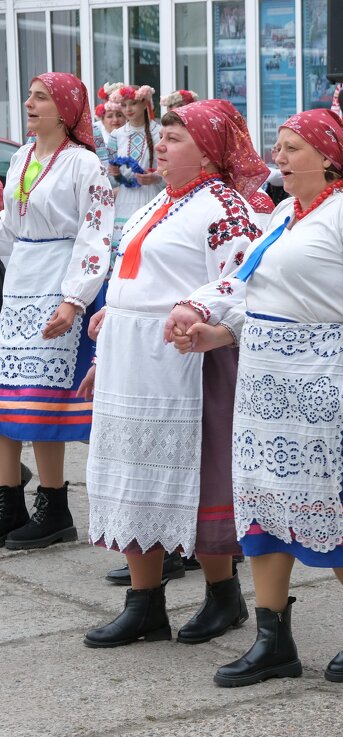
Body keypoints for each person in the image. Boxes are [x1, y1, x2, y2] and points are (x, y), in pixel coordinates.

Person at [170, 108, 343, 687]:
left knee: (337, 513)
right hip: (267, 381)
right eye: (277, 147)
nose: (277, 158)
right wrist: (218, 329)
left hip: (329, 381)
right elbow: (257, 288)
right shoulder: (285, 214)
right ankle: (272, 638)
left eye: (291, 149)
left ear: (330, 158)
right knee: (262, 504)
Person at [82, 99, 267, 647]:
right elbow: (133, 280)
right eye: (160, 136)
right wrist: (106, 345)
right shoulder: (156, 203)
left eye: (176, 137)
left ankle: (223, 596)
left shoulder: (225, 207)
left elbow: (244, 283)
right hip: (132, 360)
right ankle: (145, 604)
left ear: (209, 151)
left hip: (190, 360)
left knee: (200, 476)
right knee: (136, 471)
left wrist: (200, 316)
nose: (160, 144)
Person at [0, 74, 113, 550]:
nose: (28, 103)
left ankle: (54, 505)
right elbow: (9, 225)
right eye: (29, 95)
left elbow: (95, 233)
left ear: (65, 109)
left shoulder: (84, 164)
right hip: (22, 279)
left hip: (60, 278)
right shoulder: (22, 156)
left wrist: (74, 298)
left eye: (40, 97)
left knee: (42, 395)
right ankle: (9, 503)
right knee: (8, 395)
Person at [110, 85, 163, 258]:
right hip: (125, 199)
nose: (128, 109)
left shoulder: (160, 132)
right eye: (124, 105)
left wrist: (156, 177)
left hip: (153, 196)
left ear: (145, 103)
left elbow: (172, 169)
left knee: (150, 248)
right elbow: (108, 176)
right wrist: (115, 174)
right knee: (124, 248)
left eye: (132, 103)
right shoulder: (116, 135)